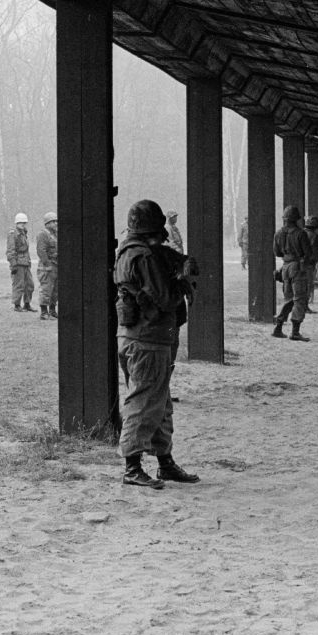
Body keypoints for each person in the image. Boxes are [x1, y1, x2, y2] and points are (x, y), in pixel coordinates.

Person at [113, 199, 200, 490]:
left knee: (159, 402)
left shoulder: (127, 252)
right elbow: (164, 299)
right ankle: (132, 466)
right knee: (143, 402)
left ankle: (165, 462)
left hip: (136, 337)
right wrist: (181, 281)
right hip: (147, 339)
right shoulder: (146, 257)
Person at [271, 205, 314, 341]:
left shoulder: (278, 233)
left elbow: (277, 252)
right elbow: (308, 253)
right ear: (296, 219)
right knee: (300, 299)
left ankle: (278, 327)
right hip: (297, 267)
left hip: (285, 268)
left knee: (289, 299)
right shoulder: (301, 233)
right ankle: (295, 332)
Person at [6, 212, 34, 311]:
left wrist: (29, 261)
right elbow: (10, 250)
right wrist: (13, 264)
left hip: (26, 262)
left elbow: (26, 249)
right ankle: (17, 305)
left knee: (30, 285)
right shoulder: (13, 234)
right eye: (21, 222)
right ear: (16, 223)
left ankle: (27, 304)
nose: (23, 224)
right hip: (18, 263)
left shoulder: (23, 233)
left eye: (24, 222)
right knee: (19, 285)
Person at [35, 211, 58, 320]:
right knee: (46, 289)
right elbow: (41, 251)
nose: (55, 223)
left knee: (55, 290)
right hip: (47, 266)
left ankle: (52, 310)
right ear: (47, 223)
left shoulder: (56, 234)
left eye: (56, 221)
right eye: (53, 221)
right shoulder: (43, 234)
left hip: (56, 265)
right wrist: (47, 264)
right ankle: (44, 312)